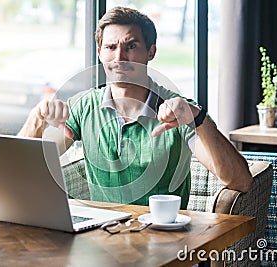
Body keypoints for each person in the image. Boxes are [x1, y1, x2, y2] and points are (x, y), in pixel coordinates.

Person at [18, 6, 252, 209]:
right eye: (110, 47)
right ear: (100, 53)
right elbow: (20, 166)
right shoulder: (83, 107)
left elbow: (240, 182)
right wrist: (36, 119)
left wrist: (199, 118)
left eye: (131, 46)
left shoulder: (179, 112)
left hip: (164, 242)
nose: (120, 57)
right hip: (103, 239)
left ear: (151, 52)